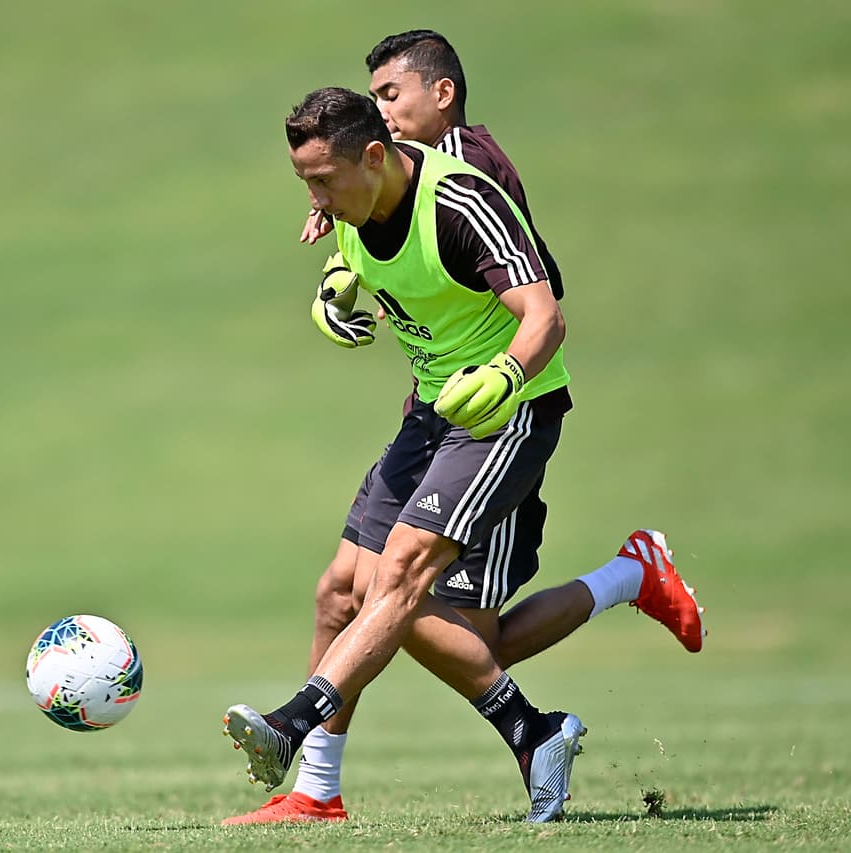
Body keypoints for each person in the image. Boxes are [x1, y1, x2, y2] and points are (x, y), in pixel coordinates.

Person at [224, 30, 704, 825]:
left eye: (322, 180)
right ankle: (330, 787)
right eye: (302, 181)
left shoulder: (465, 190)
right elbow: (395, 269)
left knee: (405, 583)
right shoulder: (347, 202)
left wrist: (507, 373)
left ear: (374, 156)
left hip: (506, 408)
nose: (313, 197)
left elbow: (542, 312)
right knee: (347, 592)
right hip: (432, 408)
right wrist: (341, 288)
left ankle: (291, 724)